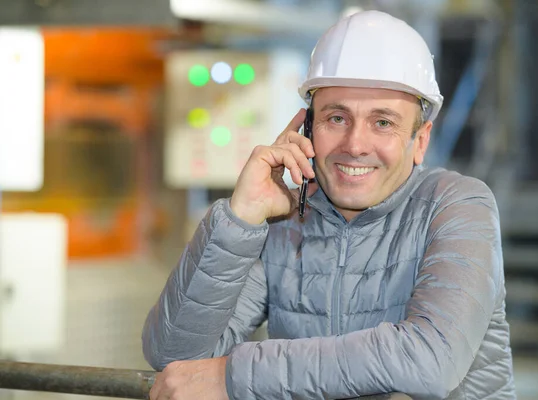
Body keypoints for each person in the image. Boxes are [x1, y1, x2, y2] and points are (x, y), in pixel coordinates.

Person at [142, 10, 516, 400]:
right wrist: (240, 219)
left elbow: (430, 359)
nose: (355, 144)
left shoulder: (457, 206)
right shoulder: (286, 224)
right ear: (307, 128)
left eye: (383, 122)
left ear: (420, 140)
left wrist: (235, 376)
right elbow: (175, 359)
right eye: (337, 118)